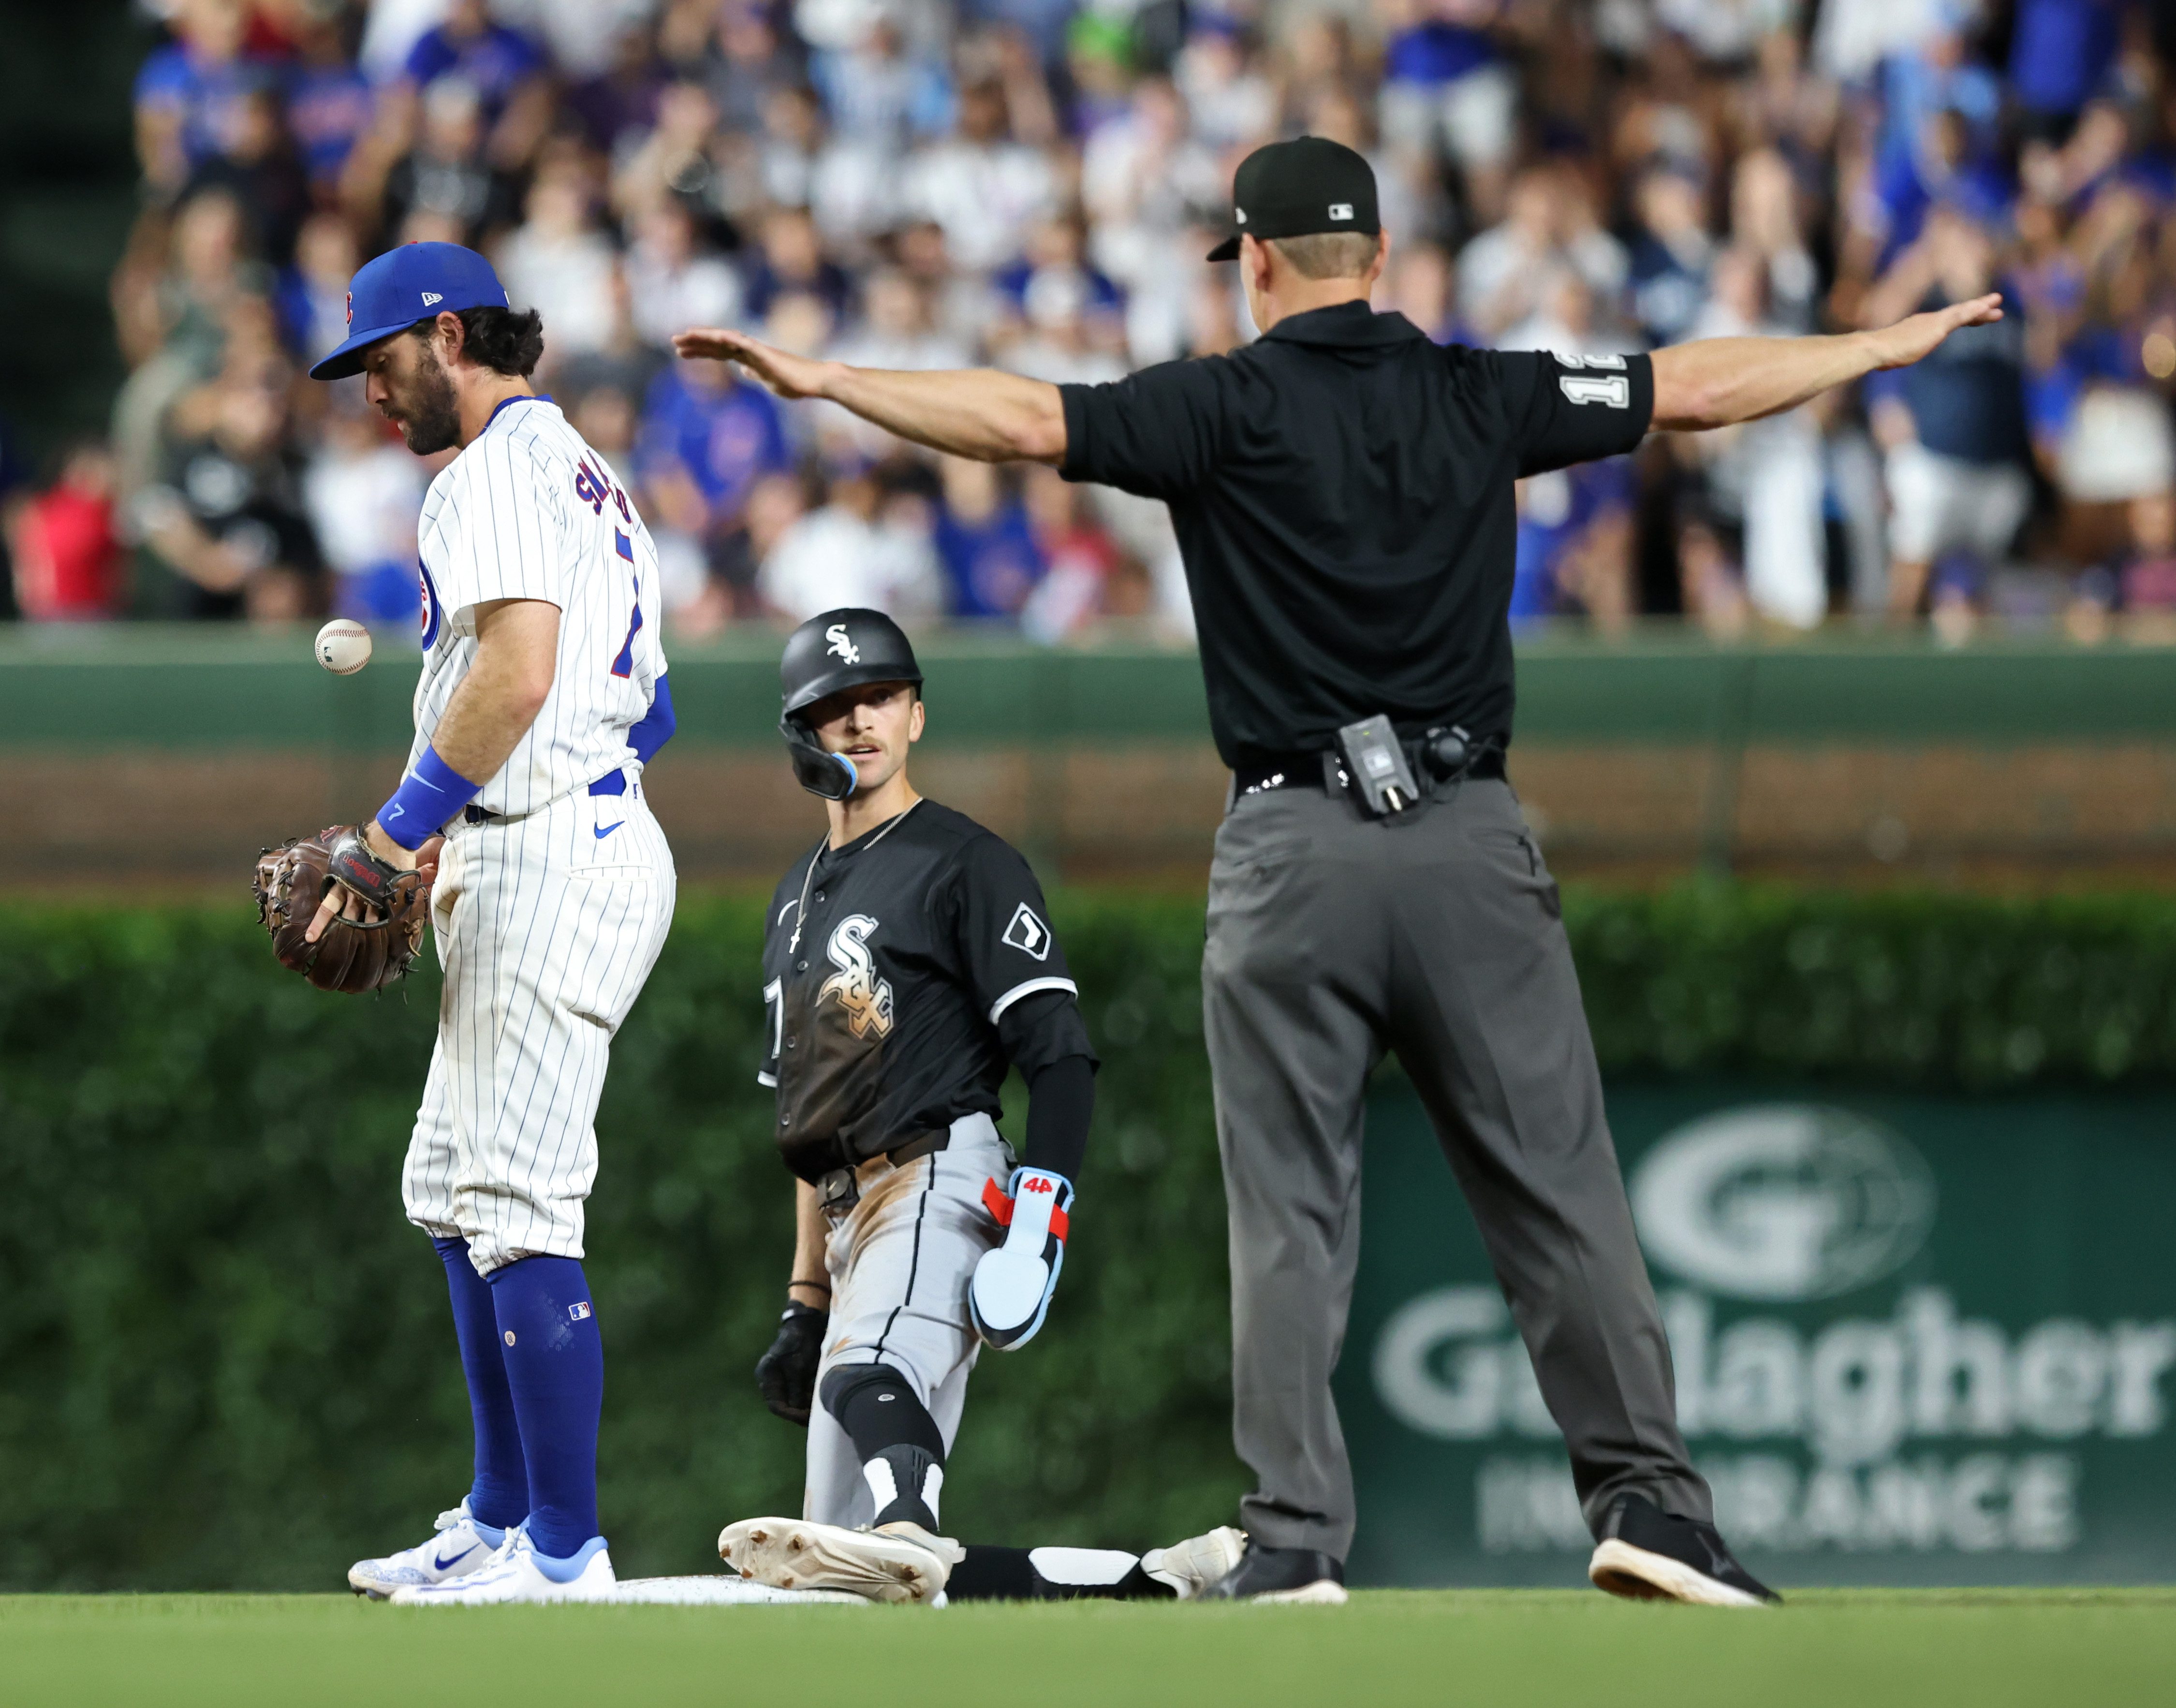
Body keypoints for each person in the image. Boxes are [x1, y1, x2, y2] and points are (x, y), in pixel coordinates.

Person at [672, 135, 2002, 1608]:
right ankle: (1648, 1506)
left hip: (1288, 849)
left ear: (1252, 262)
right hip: (1467, 840)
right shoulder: (1476, 388)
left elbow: (1012, 418)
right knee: (1558, 1188)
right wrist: (1881, 341)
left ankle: (1296, 1535)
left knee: (1291, 1205)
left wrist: (832, 377)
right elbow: (1693, 382)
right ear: (1379, 254)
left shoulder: (1215, 403)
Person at [309, 243, 677, 1605]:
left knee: (518, 1200)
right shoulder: (569, 463)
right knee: (453, 1192)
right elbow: (643, 703)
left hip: (555, 847)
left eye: (380, 360)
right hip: (550, 832)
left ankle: (566, 1552)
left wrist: (391, 834)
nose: (371, 394)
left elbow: (518, 674)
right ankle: (503, 1512)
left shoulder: (494, 469)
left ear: (446, 332)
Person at [714, 608, 1099, 1605]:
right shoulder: (794, 897)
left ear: (916, 715)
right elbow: (811, 1126)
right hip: (848, 1214)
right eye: (833, 706)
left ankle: (912, 1519)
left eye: (880, 696)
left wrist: (1039, 1219)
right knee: (835, 1566)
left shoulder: (967, 862)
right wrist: (805, 1303)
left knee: (867, 1399)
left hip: (938, 1175)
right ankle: (1150, 1582)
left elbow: (1058, 1057)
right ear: (802, 735)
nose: (860, 721)